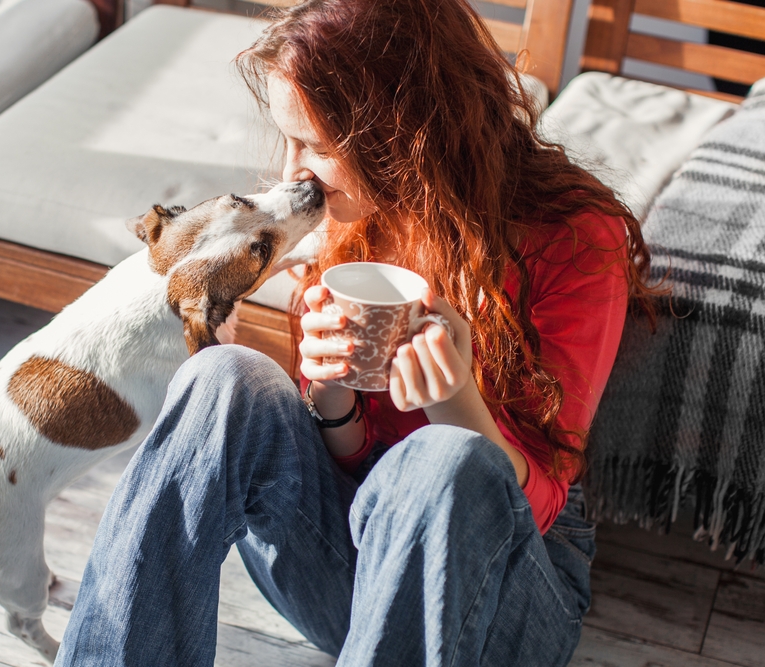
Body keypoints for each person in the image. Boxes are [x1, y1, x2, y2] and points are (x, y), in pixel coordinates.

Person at [54, 0, 658, 665]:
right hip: (353, 568)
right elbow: (352, 462)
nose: (292, 174)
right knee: (221, 381)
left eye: (315, 144)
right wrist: (330, 393)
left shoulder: (575, 238)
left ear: (403, 130)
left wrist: (454, 402)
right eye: (289, 140)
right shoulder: (350, 210)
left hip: (496, 600)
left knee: (442, 461)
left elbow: (539, 504)